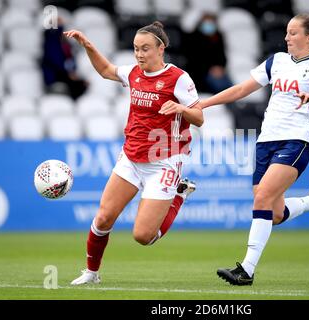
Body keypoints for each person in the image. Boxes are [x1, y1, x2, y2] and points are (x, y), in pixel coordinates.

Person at [189, 14, 309, 286]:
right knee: (274, 212)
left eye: (293, 33)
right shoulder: (276, 61)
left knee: (261, 201)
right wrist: (204, 104)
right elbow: (241, 89)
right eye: (286, 32)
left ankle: (246, 270)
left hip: (296, 141)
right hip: (266, 141)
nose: (286, 38)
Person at [64, 21, 204, 285]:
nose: (139, 55)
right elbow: (106, 70)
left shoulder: (179, 79)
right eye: (136, 49)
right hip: (130, 157)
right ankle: (91, 273)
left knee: (143, 236)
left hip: (164, 162)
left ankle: (179, 195)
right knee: (104, 217)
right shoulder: (133, 73)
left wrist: (180, 109)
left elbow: (199, 118)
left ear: (161, 48)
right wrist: (88, 46)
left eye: (145, 49)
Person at [183, 13, 233, 94]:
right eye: (206, 23)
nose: (209, 25)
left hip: (217, 72)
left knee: (231, 88)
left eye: (211, 23)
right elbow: (192, 59)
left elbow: (222, 56)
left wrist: (220, 67)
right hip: (199, 73)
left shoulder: (218, 37)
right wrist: (210, 69)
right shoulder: (192, 37)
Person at [41, 17, 87, 99]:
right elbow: (56, 62)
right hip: (55, 75)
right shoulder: (51, 42)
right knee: (79, 85)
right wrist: (69, 73)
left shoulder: (65, 44)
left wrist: (72, 71)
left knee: (83, 83)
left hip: (64, 73)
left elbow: (70, 59)